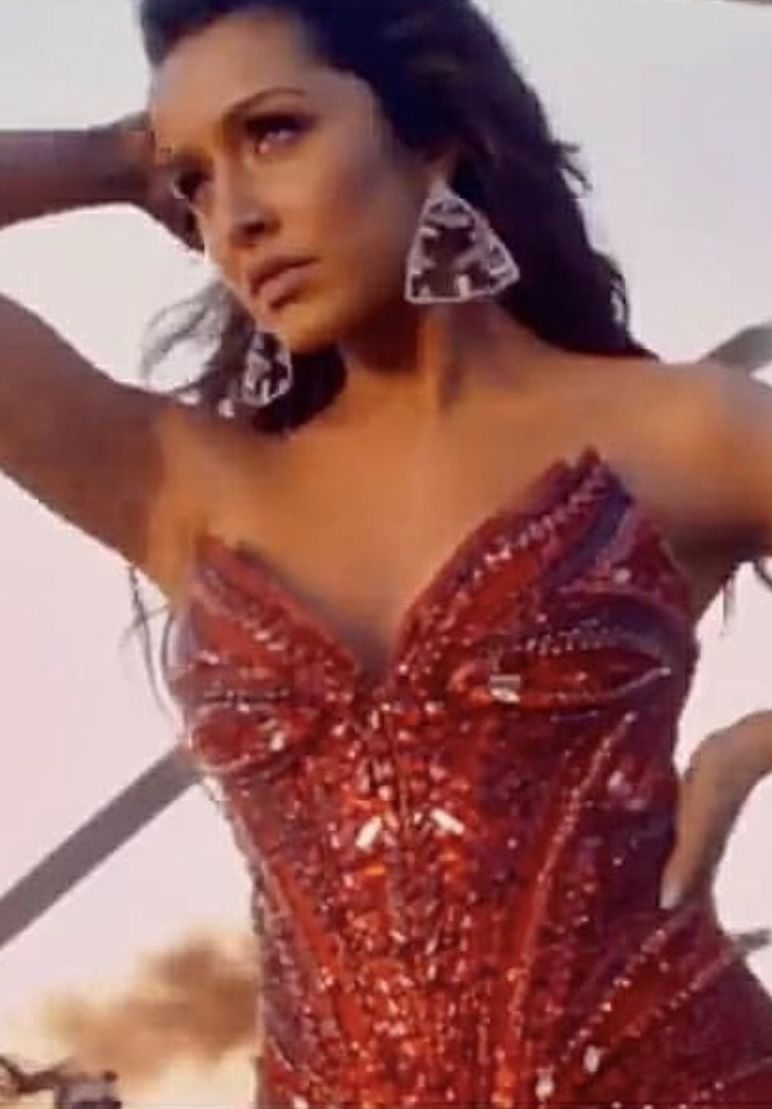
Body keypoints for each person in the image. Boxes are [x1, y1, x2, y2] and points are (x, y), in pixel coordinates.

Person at [2, 0, 772, 1105]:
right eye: (196, 183)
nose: (235, 219)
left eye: (273, 132)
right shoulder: (186, 486)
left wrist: (746, 748)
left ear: (431, 134)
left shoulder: (682, 431)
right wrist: (112, 159)